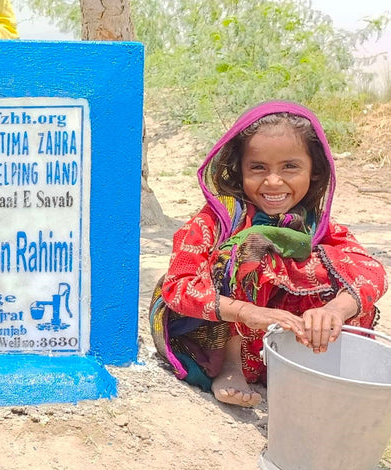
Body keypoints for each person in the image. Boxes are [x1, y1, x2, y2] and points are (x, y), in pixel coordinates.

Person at [150, 101, 387, 408]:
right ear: (240, 171)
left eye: (290, 167)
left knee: (342, 270)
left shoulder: (315, 225)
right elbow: (177, 288)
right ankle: (231, 367)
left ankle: (305, 366)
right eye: (258, 168)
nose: (273, 182)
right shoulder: (218, 219)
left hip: (283, 345)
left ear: (315, 171)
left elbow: (372, 272)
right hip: (227, 344)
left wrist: (335, 311)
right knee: (250, 249)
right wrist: (246, 312)